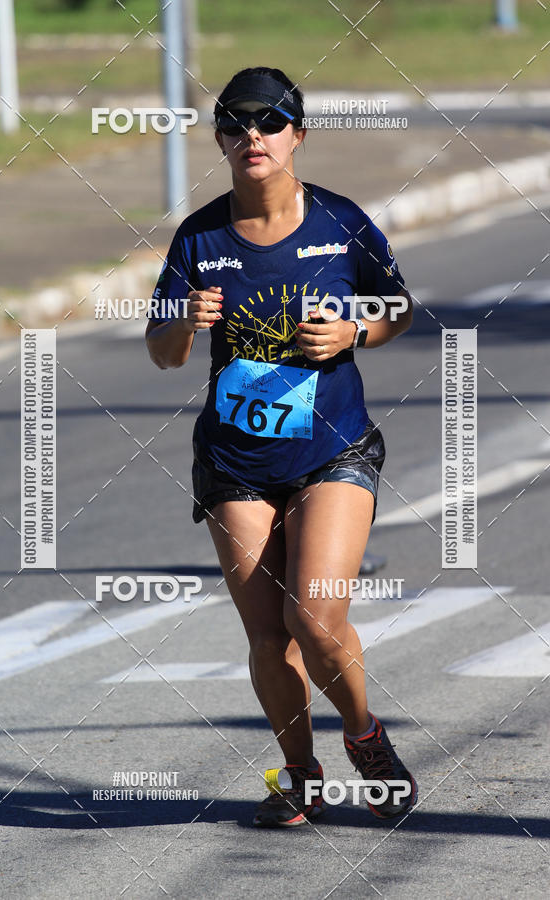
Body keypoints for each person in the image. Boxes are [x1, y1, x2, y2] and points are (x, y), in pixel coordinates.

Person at [145, 66, 417, 827]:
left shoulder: (340, 221)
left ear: (299, 133)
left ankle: (365, 737)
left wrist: (357, 331)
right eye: (234, 124)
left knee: (316, 621)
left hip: (333, 449)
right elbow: (161, 352)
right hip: (234, 463)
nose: (251, 137)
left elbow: (399, 306)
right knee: (268, 636)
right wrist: (183, 325)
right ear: (221, 140)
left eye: (269, 122)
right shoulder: (199, 237)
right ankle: (301, 776)